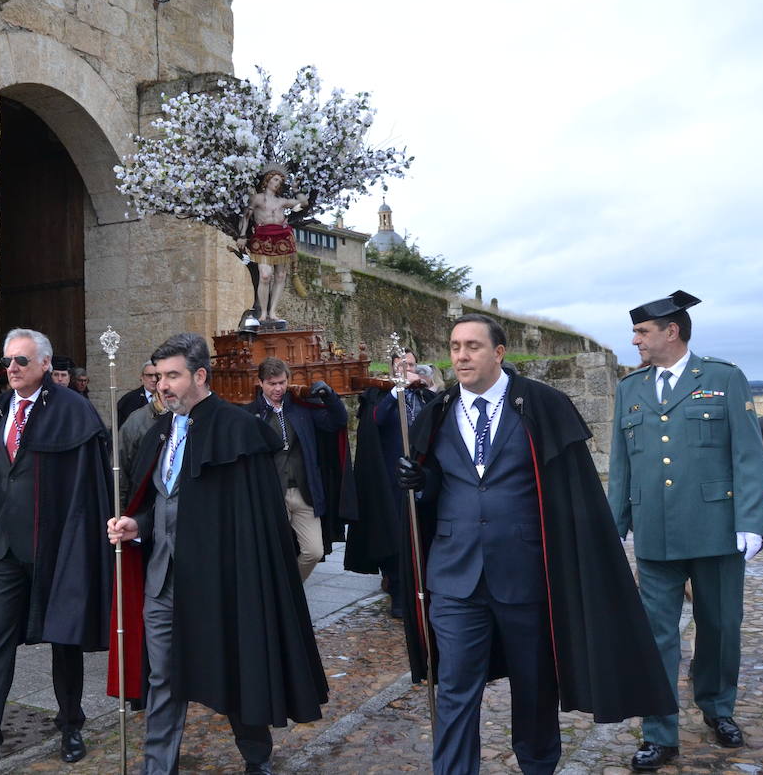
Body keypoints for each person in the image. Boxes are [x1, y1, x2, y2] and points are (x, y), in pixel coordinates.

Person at [397, 314, 672, 775]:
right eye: (454, 346)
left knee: (534, 687)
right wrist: (420, 482)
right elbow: (433, 487)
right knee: (455, 686)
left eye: (472, 346)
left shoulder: (541, 404)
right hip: (454, 576)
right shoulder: (438, 410)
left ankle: (539, 766)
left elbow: (572, 491)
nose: (461, 356)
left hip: (526, 575)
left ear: (499, 352)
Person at [108, 332, 328, 775]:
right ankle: (158, 767)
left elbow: (252, 518)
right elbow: (160, 503)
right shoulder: (161, 431)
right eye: (159, 377)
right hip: (163, 579)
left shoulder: (238, 429)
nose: (163, 385)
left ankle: (256, 755)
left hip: (220, 581)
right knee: (162, 678)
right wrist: (138, 525)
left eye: (173, 375)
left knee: (232, 665)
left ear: (200, 375)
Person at [0, 329, 112, 775]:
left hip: (55, 548)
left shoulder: (74, 412)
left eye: (21, 361)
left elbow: (86, 489)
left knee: (63, 639)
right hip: (2, 550)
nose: (11, 368)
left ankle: (70, 723)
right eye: (7, 361)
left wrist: (81, 545)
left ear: (46, 365)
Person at [607, 291, 763, 770]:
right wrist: (615, 529)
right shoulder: (630, 388)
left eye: (642, 332)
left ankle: (718, 708)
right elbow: (621, 466)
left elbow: (748, 454)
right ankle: (660, 732)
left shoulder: (722, 378)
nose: (635, 340)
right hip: (655, 533)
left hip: (716, 530)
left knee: (720, 627)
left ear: (671, 331)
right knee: (656, 636)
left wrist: (751, 522)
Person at [243, 357, 348, 581]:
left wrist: (330, 397)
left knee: (314, 551)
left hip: (305, 492)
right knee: (273, 553)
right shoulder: (251, 414)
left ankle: (291, 591)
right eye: (271, 383)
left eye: (281, 382)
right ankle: (278, 598)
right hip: (272, 495)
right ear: (260, 383)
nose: (278, 388)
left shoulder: (302, 408)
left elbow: (336, 421)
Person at [345, 348, 431, 617]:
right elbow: (375, 422)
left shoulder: (421, 394)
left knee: (422, 535)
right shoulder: (379, 395)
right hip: (389, 479)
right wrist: (396, 393)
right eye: (402, 365)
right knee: (394, 537)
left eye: (412, 365)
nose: (407, 369)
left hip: (420, 476)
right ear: (392, 367)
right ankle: (397, 592)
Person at [237, 168, 308, 326]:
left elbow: (303, 204)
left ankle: (272, 312)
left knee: (281, 275)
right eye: (275, 179)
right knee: (265, 275)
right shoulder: (257, 198)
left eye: (280, 181)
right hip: (263, 237)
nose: (278, 183)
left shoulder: (282, 201)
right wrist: (242, 235)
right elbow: (247, 216)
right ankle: (262, 312)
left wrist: (296, 189)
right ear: (267, 180)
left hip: (281, 238)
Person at [117, 363, 163, 427]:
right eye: (149, 375)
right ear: (142, 377)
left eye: (157, 375)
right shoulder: (129, 400)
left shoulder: (169, 398)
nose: (154, 379)